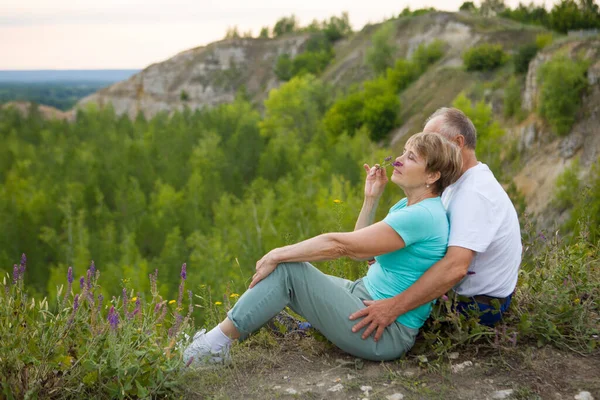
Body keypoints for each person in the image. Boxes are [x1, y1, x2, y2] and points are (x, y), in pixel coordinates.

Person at [183, 132, 462, 365]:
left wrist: (276, 253)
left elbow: (343, 246)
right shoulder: (407, 206)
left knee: (288, 270)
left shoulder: (422, 216)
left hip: (384, 330)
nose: (398, 160)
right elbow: (364, 252)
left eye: (411, 157)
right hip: (363, 296)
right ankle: (218, 344)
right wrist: (370, 199)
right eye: (402, 152)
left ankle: (212, 347)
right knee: (286, 275)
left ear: (432, 175)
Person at [349, 108, 522, 340]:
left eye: (434, 139)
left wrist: (393, 307)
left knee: (378, 299)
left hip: (475, 306)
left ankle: (321, 326)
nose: (426, 146)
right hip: (460, 293)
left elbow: (455, 267)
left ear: (458, 142)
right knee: (378, 282)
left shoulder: (474, 193)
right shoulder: (455, 183)